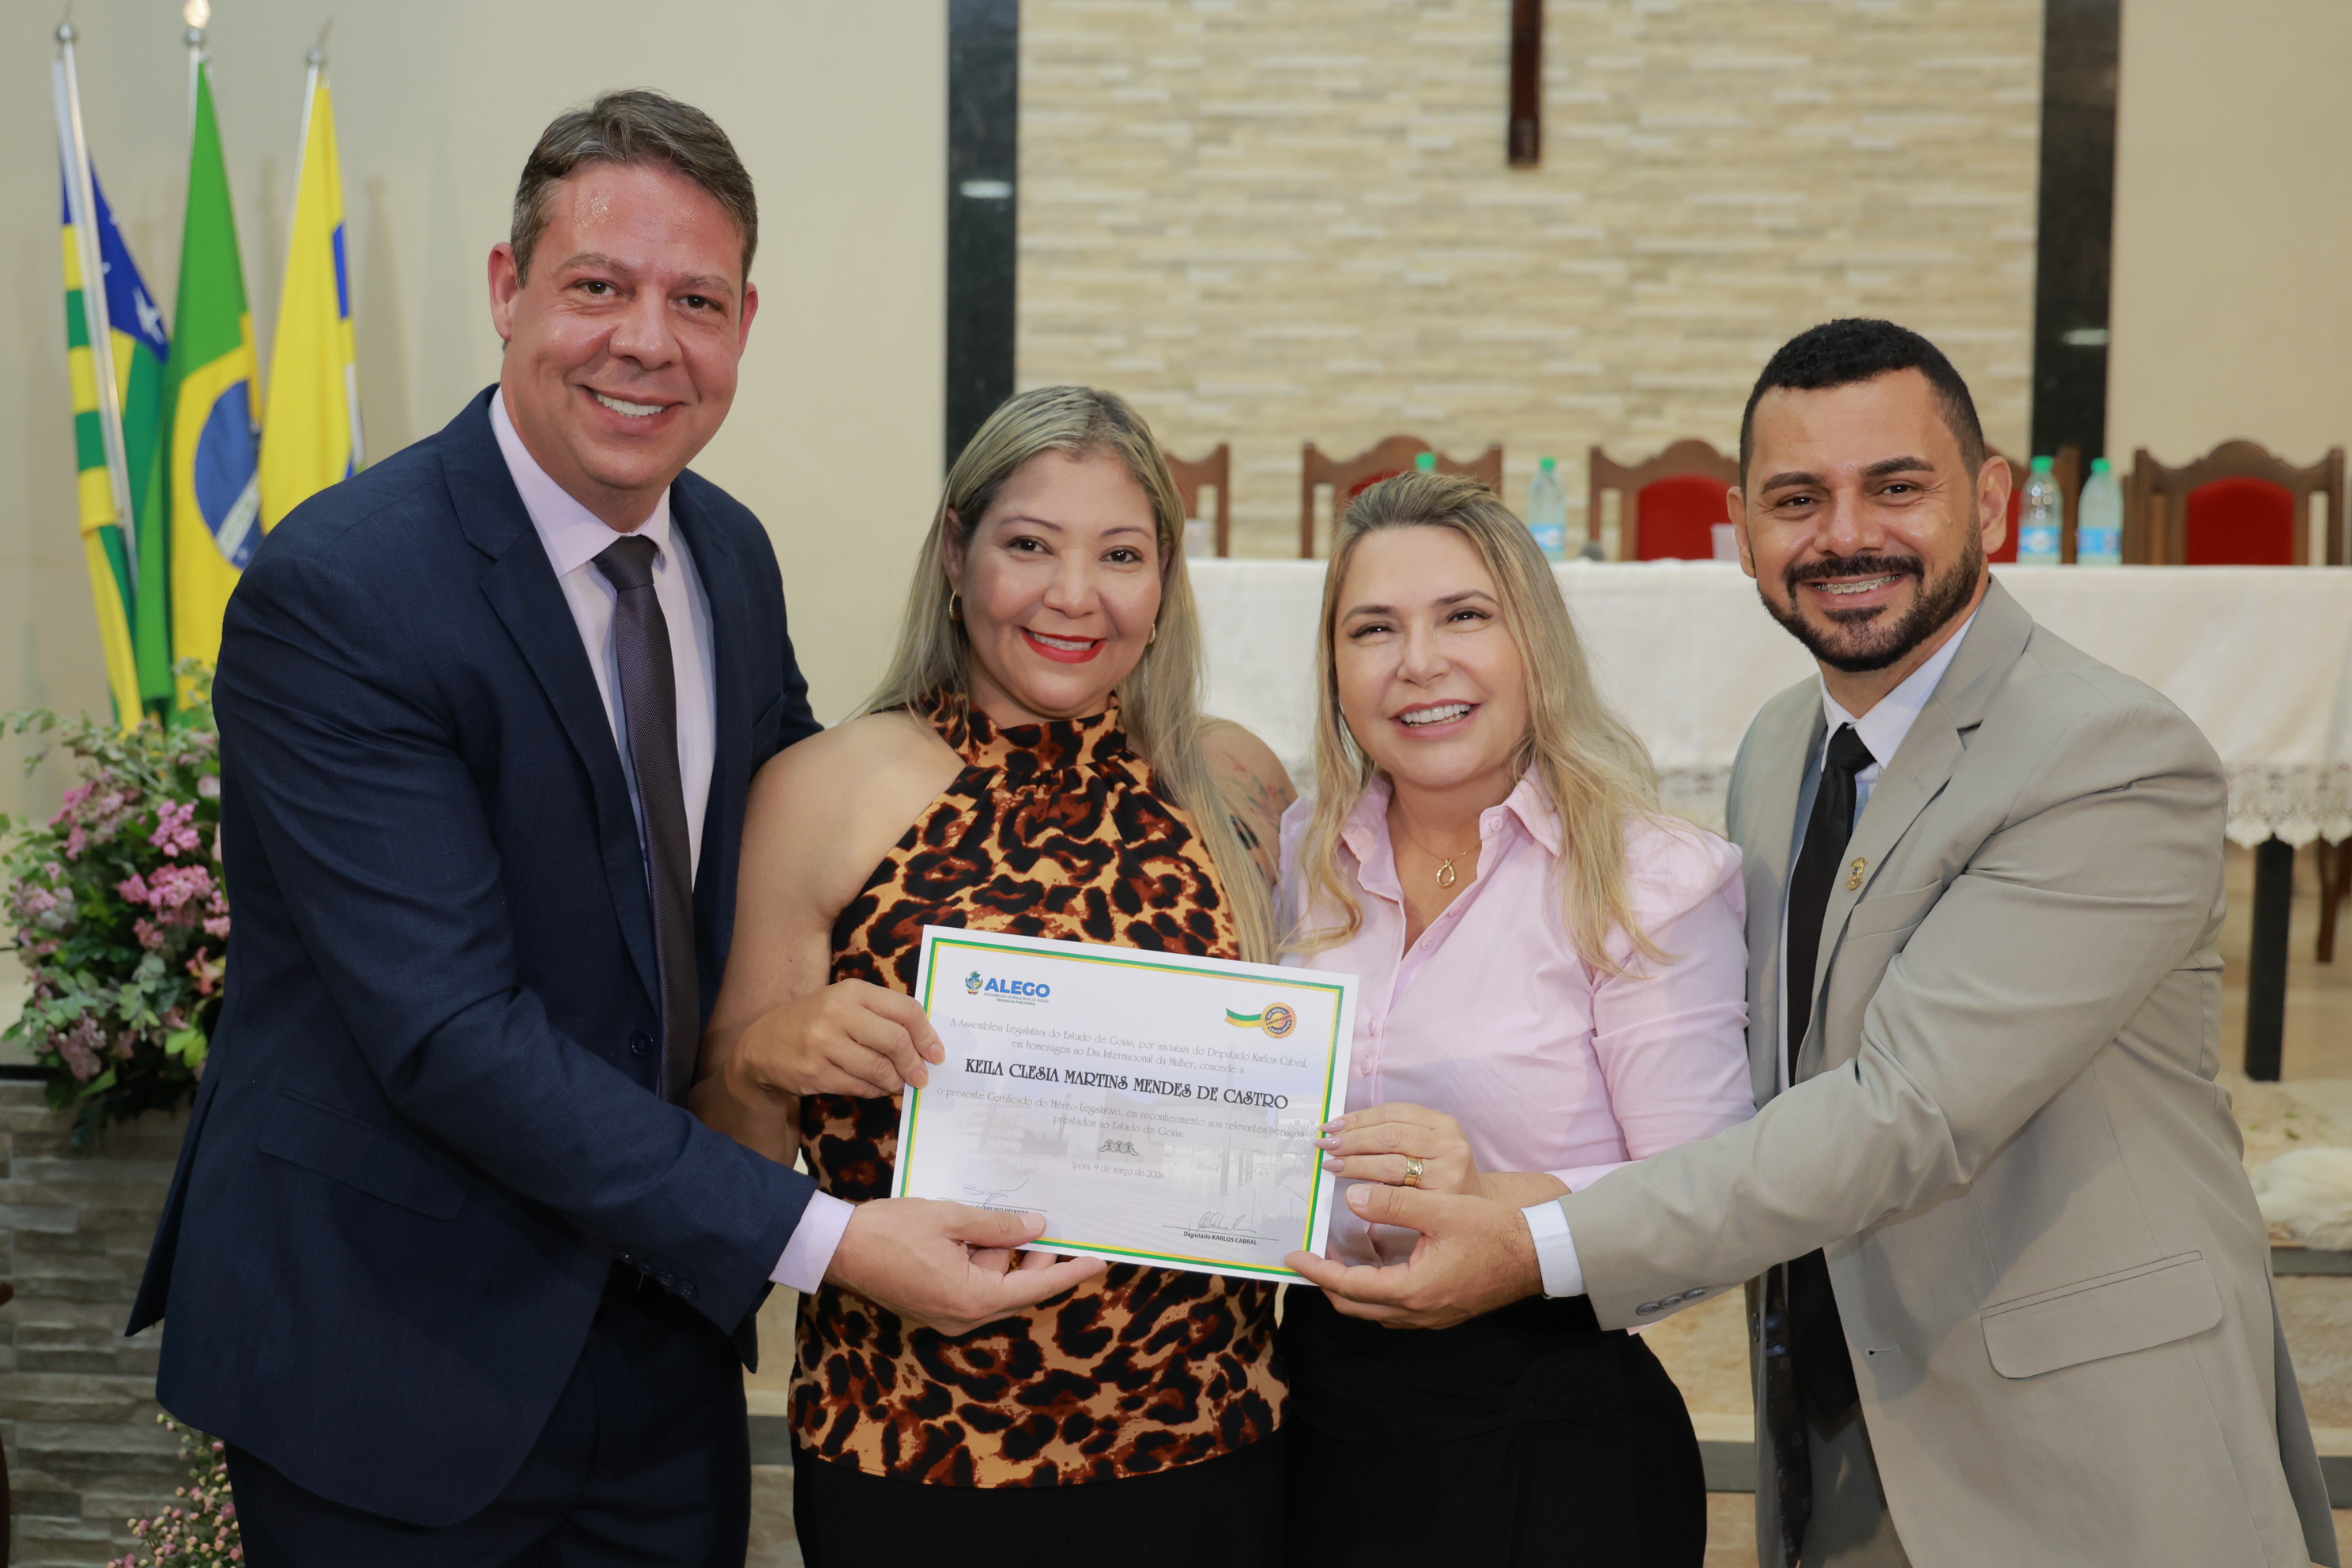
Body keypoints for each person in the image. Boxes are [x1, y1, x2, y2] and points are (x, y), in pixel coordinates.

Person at [127, 91, 1099, 1565]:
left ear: (745, 323)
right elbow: (449, 1032)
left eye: (696, 300)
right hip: (392, 1349)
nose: (648, 341)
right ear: (508, 289)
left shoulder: (727, 552)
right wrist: (830, 1242)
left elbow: (802, 845)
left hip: (661, 1340)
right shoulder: (342, 592)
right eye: (599, 286)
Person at [1287, 318, 2339, 1568]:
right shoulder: (1785, 744)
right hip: (1847, 1425)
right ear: (1743, 532)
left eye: (1895, 487)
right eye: (1799, 499)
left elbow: (1908, 1111)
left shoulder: (2106, 755)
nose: (1845, 535)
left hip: (2080, 1437)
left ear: (1990, 501)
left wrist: (1531, 1238)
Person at [692, 384, 1296, 1568]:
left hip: (1212, 1430)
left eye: (1120, 554)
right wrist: (763, 1062)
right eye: (1029, 545)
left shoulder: (1235, 781)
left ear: (1165, 582)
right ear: (956, 555)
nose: (1075, 594)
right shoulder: (824, 789)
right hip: (914, 1439)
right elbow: (724, 1162)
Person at [1276, 471, 1754, 1566]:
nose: (1418, 662)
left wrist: (1492, 1206)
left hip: (1545, 1433)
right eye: (1373, 629)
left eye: (1464, 616)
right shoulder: (1301, 855)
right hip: (1313, 1418)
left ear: (1533, 641)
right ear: (1335, 668)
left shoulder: (1647, 878)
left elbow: (1709, 1204)